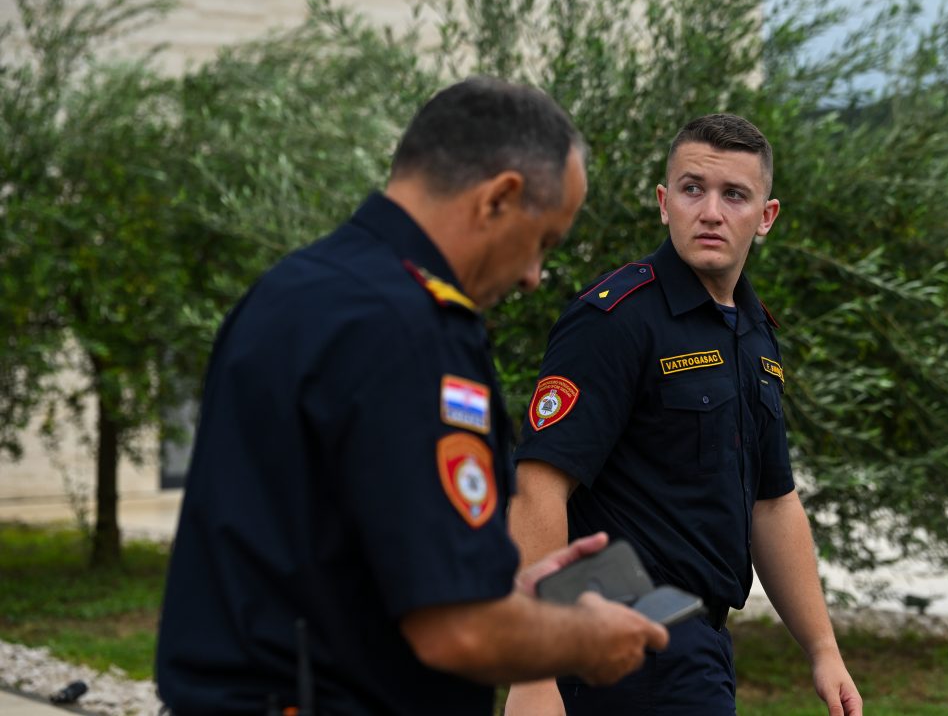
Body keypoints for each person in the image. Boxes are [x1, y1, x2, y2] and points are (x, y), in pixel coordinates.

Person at [155, 77, 668, 715]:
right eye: (542, 243)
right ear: (499, 198)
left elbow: (324, 548)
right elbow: (458, 631)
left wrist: (500, 590)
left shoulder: (290, 291)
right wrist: (584, 638)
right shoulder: (413, 330)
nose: (534, 278)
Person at [506, 114, 863, 715]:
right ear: (664, 202)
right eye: (693, 189)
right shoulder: (615, 320)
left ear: (766, 216)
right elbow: (539, 486)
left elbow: (773, 503)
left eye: (735, 195)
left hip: (700, 643)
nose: (711, 212)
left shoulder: (754, 332)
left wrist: (823, 648)